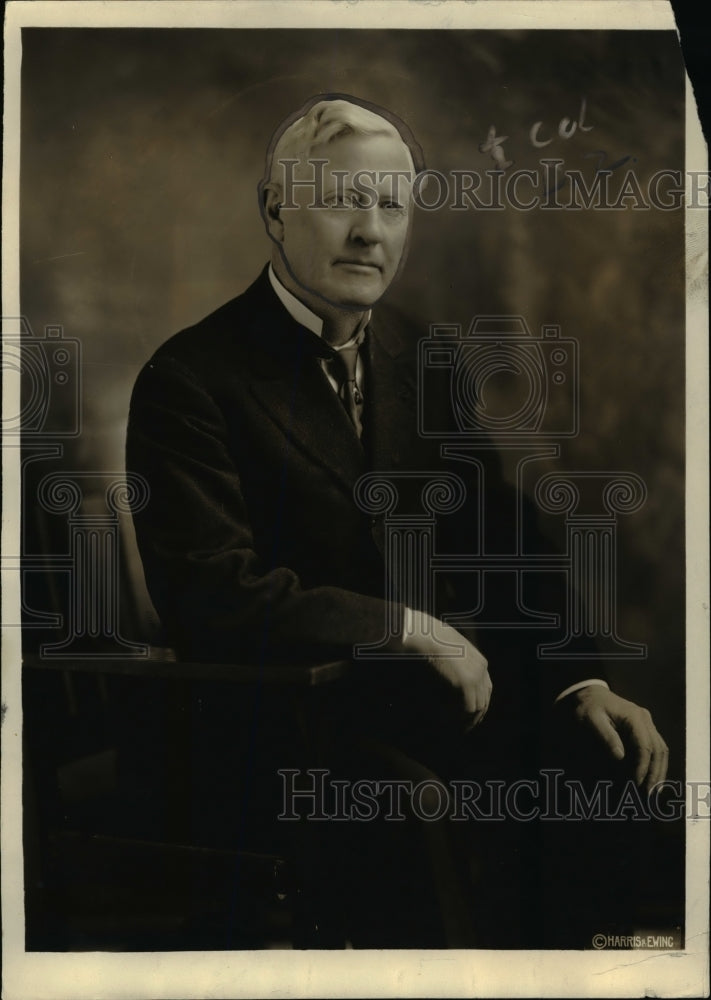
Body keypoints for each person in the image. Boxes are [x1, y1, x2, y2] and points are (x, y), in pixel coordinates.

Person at [126, 95, 670, 946]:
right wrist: (408, 629)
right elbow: (211, 591)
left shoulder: (422, 356)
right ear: (275, 209)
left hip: (422, 706)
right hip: (276, 730)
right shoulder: (190, 377)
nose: (369, 232)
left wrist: (581, 682)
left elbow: (503, 541)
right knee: (409, 814)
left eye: (391, 205)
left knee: (612, 764)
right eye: (342, 200)